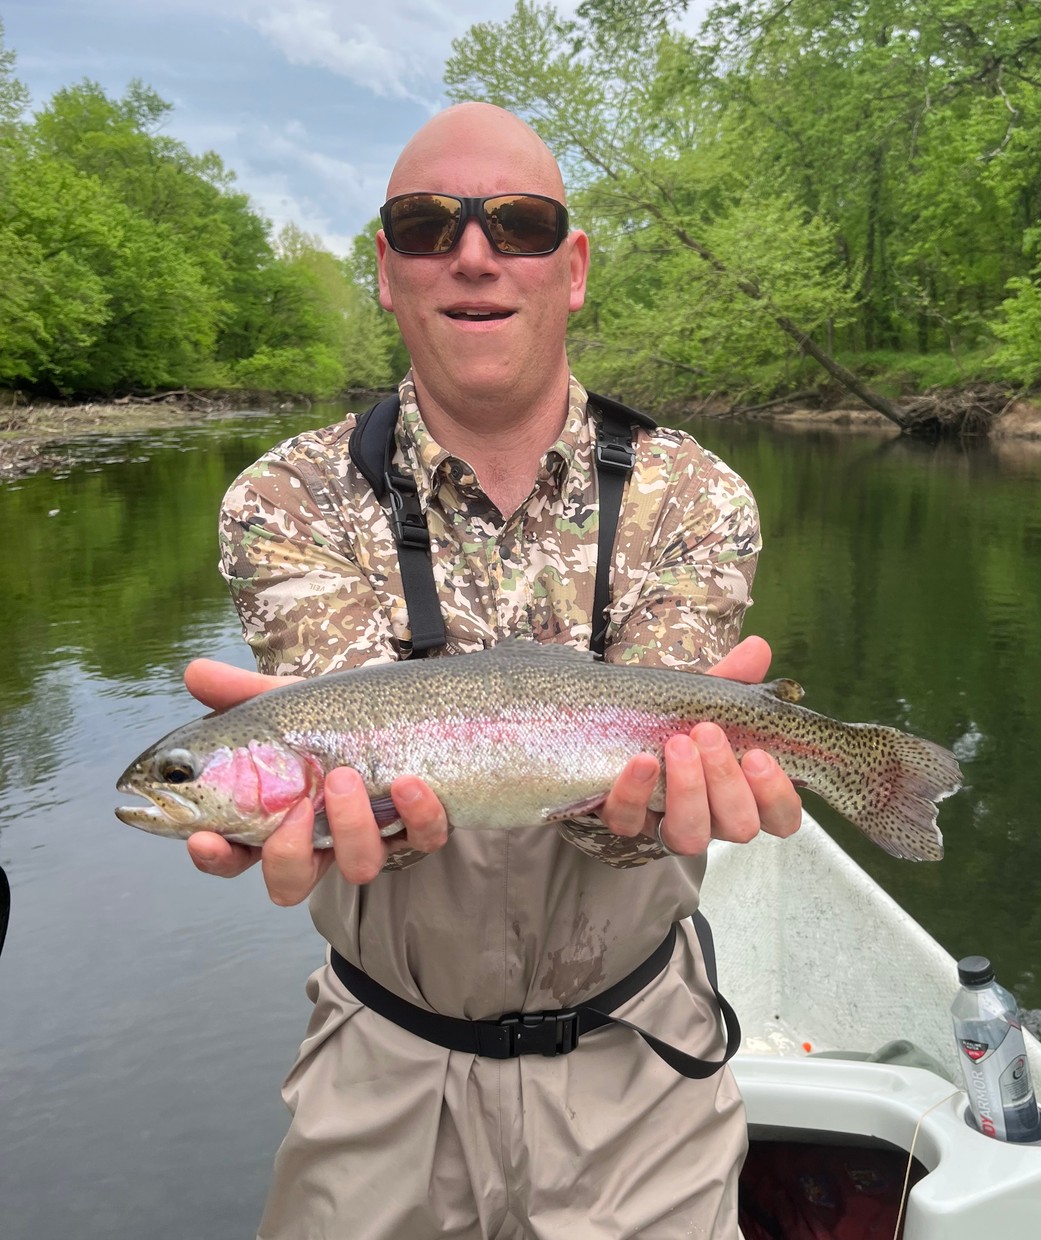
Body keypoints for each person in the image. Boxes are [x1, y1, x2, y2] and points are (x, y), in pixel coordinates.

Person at [183, 102, 803, 1240]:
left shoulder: (695, 494)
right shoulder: (284, 499)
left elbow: (634, 799)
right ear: (386, 270)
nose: (473, 253)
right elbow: (363, 780)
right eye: (429, 226)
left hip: (642, 1072)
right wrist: (305, 812)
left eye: (518, 224)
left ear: (574, 268)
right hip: (380, 1071)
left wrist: (677, 799)